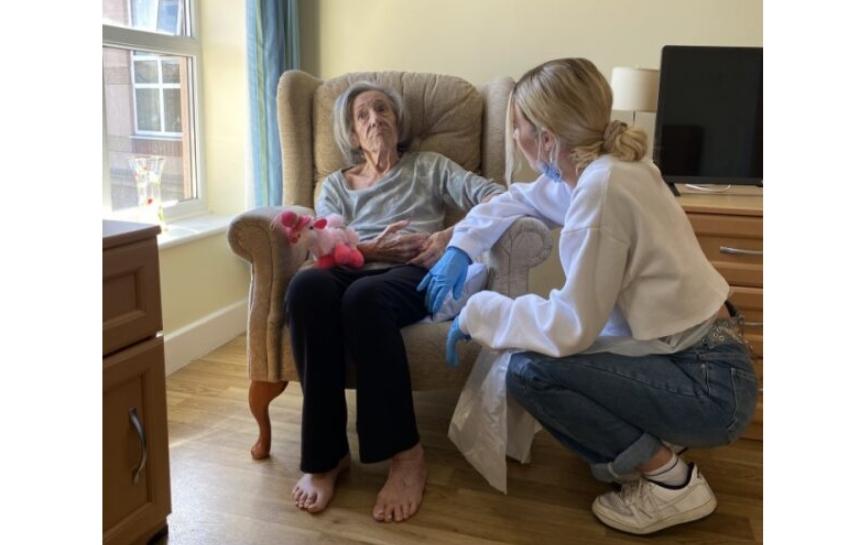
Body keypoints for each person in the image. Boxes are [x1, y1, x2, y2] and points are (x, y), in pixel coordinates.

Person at [419, 58, 758, 535]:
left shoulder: (600, 194)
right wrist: (460, 245)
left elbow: (570, 326)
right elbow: (518, 197)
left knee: (530, 372)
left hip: (708, 387)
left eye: (517, 125)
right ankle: (655, 447)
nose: (514, 136)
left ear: (547, 139)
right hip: (703, 355)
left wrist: (478, 313)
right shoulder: (614, 169)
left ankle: (672, 483)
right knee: (546, 365)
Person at [285, 81, 504, 522]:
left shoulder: (429, 166)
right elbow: (324, 245)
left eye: (382, 110)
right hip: (352, 264)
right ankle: (326, 457)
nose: (374, 120)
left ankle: (406, 455)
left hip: (411, 270)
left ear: (398, 121)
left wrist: (449, 237)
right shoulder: (334, 185)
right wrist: (371, 251)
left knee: (365, 298)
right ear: (351, 134)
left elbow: (497, 196)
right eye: (362, 115)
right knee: (305, 289)